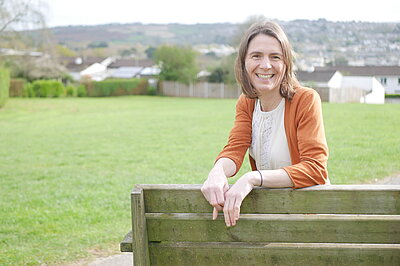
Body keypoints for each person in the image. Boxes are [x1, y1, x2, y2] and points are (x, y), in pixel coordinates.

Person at [201, 20, 330, 227]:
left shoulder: (305, 100)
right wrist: (216, 172)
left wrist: (253, 178)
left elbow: (315, 169)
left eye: (275, 57)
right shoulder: (247, 102)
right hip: (273, 218)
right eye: (256, 56)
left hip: (310, 217)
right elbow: (235, 149)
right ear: (244, 62)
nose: (266, 65)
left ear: (286, 63)